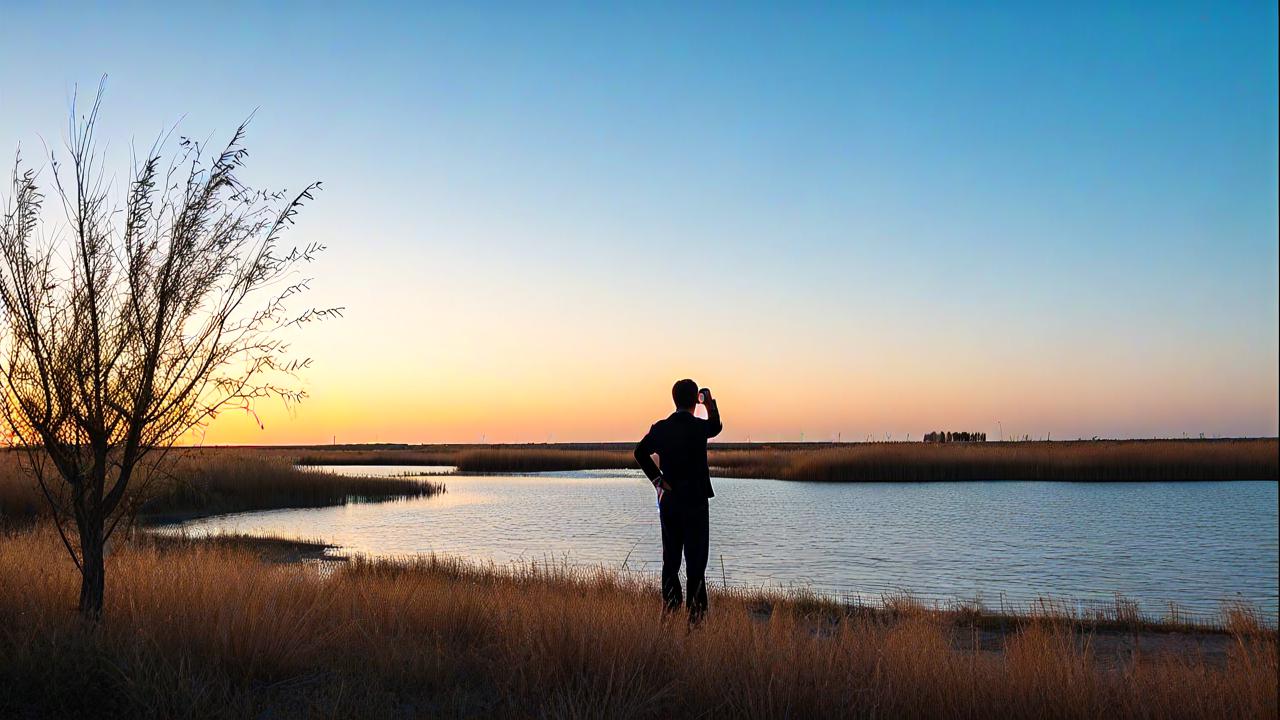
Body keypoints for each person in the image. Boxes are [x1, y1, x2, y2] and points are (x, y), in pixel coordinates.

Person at [634, 379, 721, 623]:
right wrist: (709, 401)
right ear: (695, 400)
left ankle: (670, 613)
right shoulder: (698, 427)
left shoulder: (661, 428)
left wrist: (658, 482)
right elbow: (716, 425)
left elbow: (639, 452)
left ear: (674, 400)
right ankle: (696, 620)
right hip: (695, 503)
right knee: (696, 564)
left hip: (670, 502)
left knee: (670, 561)